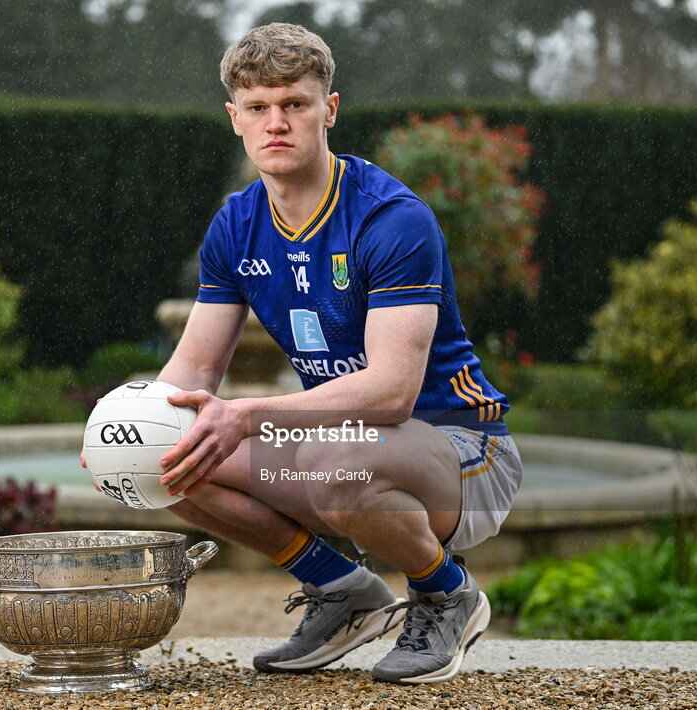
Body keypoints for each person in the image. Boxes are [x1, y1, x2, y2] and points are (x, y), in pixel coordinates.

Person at [88, 22, 523, 685]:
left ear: (330, 109)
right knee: (164, 453)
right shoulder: (237, 224)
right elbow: (194, 373)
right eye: (258, 108)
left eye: (294, 103)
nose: (277, 123)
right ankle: (343, 591)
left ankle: (446, 594)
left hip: (462, 452)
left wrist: (249, 413)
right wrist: (123, 433)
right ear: (235, 119)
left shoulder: (390, 220)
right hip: (348, 446)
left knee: (333, 459)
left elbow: (391, 394)